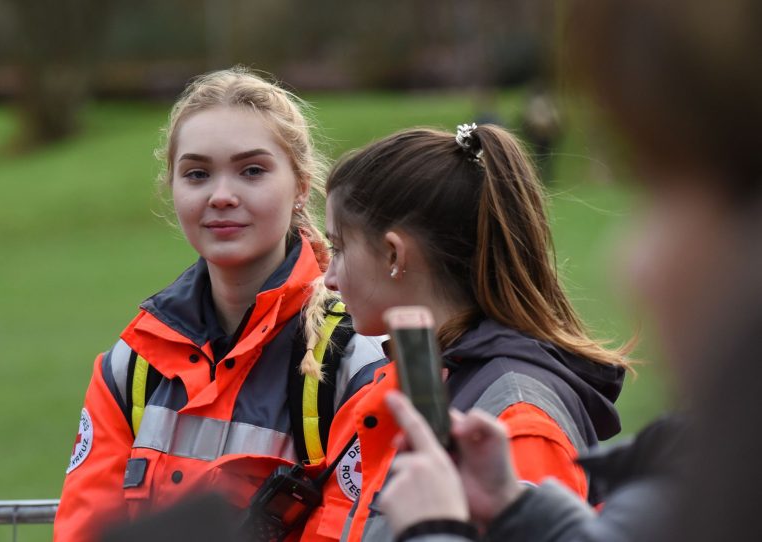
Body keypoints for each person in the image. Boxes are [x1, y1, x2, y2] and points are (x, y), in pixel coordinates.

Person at [374, 0, 762, 540]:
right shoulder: (707, 476)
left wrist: (435, 530)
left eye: (665, 186)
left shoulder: (518, 409)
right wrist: (517, 511)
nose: (633, 265)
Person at [53, 67, 387, 542]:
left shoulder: (356, 361)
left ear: (300, 187)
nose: (222, 196)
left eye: (252, 170)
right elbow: (83, 531)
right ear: (172, 188)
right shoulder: (132, 365)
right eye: (197, 174)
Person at [312, 120, 632, 541]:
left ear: (393, 253)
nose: (328, 278)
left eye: (339, 248)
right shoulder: (403, 378)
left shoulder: (516, 416)